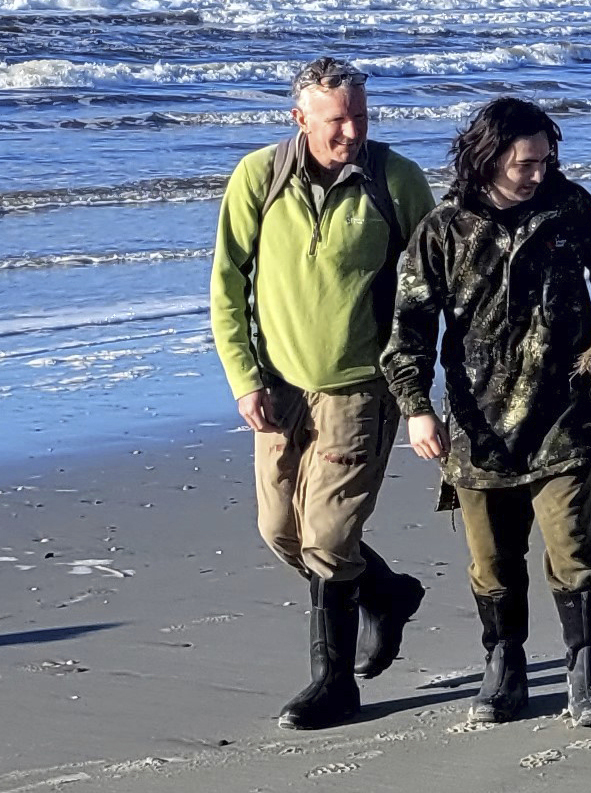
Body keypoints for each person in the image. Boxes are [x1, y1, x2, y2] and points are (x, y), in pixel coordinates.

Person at [383, 96, 591, 728]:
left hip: (563, 413)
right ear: (488, 159)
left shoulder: (569, 208)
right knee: (492, 561)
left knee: (573, 546)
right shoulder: (442, 231)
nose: (540, 172)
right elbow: (409, 332)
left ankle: (586, 674)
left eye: (546, 159)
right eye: (526, 163)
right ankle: (504, 666)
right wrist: (415, 409)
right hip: (476, 426)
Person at [209, 56, 437, 730]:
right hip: (278, 388)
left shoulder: (397, 181)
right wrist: (244, 378)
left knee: (330, 539)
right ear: (299, 117)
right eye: (336, 119)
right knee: (280, 531)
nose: (350, 131)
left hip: (362, 388)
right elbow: (227, 286)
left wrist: (421, 389)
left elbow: (433, 286)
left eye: (360, 116)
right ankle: (388, 593)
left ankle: (333, 685)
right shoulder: (259, 176)